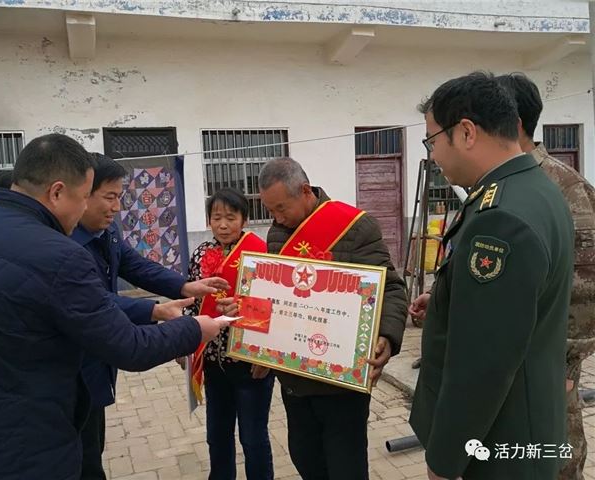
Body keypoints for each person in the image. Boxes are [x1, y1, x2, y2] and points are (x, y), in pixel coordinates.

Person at [0, 133, 228, 480]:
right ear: (57, 192)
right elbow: (130, 347)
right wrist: (194, 328)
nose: (89, 208)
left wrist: (183, 286)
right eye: (86, 197)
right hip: (26, 442)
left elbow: (132, 265)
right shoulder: (58, 253)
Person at [408, 72, 574, 480]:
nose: (433, 155)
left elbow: (483, 365)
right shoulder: (536, 188)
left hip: (498, 444)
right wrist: (448, 299)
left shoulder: (500, 219)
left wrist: (445, 459)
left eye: (432, 141)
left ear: (466, 132)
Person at [218, 157, 407, 479]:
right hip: (295, 382)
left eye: (281, 208)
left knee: (346, 469)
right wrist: (256, 341)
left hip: (341, 386)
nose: (277, 217)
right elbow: (274, 298)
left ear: (305, 191)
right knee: (305, 460)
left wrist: (387, 336)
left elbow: (390, 287)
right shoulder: (278, 233)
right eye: (270, 210)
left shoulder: (355, 226)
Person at [71, 153, 231, 480]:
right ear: (83, 193)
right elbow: (95, 301)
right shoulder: (63, 244)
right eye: (110, 197)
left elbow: (135, 265)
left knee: (92, 447)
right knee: (81, 457)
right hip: (73, 369)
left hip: (97, 365)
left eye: (120, 197)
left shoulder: (106, 231)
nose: (117, 207)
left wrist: (184, 285)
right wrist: (155, 310)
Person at [495, 72, 595, 480]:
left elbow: (585, 291)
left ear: (514, 123)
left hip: (546, 374)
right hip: (502, 370)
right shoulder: (499, 184)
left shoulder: (565, 189)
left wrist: (565, 369)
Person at [182, 187, 274, 480]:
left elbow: (274, 307)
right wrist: (183, 342)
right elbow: (190, 301)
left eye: (230, 218)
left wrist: (265, 356)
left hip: (249, 364)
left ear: (244, 220)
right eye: (216, 217)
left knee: (253, 438)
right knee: (217, 435)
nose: (223, 225)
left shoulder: (259, 252)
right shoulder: (200, 253)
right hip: (212, 360)